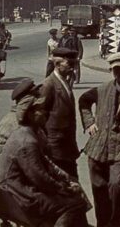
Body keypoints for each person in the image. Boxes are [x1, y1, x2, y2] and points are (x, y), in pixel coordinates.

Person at [0, 91, 89, 227]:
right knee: (75, 203)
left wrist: (65, 180)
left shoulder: (28, 132)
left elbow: (45, 164)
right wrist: (64, 188)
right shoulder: (26, 142)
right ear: (29, 114)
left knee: (72, 193)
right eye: (40, 110)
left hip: (18, 190)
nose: (45, 112)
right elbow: (40, 178)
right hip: (19, 195)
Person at [79, 52, 120, 227]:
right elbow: (84, 101)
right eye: (115, 70)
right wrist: (89, 123)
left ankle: (116, 222)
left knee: (118, 186)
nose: (119, 73)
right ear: (111, 70)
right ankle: (103, 222)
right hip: (98, 147)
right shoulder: (103, 89)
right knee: (99, 188)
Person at [39, 48, 80, 178]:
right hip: (55, 147)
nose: (72, 68)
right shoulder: (48, 85)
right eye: (69, 64)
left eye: (73, 65)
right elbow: (40, 116)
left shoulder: (65, 81)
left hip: (67, 144)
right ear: (57, 64)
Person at [0, 79, 42, 163]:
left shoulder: (31, 119)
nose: (39, 96)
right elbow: (0, 153)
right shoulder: (9, 122)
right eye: (35, 95)